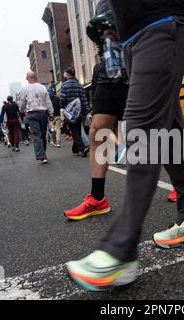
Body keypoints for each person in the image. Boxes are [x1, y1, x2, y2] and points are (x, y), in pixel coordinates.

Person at [66, 0, 184, 291]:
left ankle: (120, 252)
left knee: (141, 132)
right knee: (171, 129)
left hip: (158, 23)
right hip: (132, 36)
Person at [64, 0, 129, 221]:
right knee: (96, 132)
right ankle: (98, 199)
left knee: (162, 127)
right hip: (108, 64)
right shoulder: (102, 3)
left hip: (137, 57)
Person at [18, 71, 54, 164]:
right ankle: (44, 153)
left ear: (28, 78)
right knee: (43, 134)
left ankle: (42, 156)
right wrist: (51, 112)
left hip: (32, 113)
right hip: (43, 112)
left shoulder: (24, 89)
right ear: (35, 77)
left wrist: (21, 110)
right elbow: (48, 101)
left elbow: (22, 102)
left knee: (36, 135)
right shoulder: (42, 87)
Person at [59, 67, 89, 157]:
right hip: (79, 112)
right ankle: (75, 149)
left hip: (69, 112)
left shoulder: (64, 86)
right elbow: (84, 100)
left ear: (67, 74)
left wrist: (62, 106)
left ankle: (82, 148)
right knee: (78, 129)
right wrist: (86, 110)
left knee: (74, 131)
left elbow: (62, 99)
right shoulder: (79, 85)